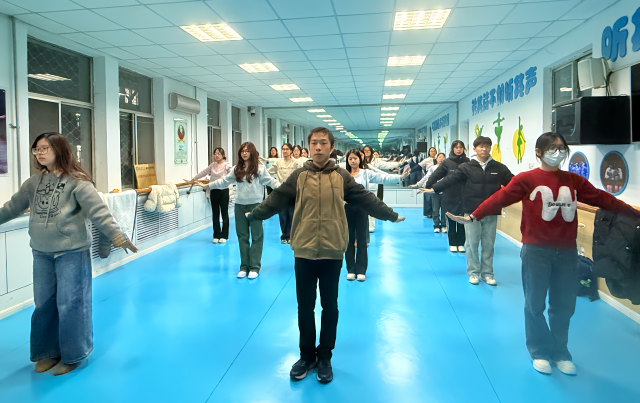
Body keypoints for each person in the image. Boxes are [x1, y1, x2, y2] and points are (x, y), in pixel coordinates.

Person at [447, 132, 640, 376]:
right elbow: (500, 198)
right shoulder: (526, 179)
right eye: (551, 148)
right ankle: (539, 350)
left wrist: (634, 213)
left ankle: (561, 352)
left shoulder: (573, 180)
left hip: (567, 252)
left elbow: (602, 199)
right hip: (536, 251)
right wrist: (475, 215)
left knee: (563, 304)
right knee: (534, 303)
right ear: (538, 152)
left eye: (561, 148)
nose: (557, 152)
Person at [246, 127, 405, 384]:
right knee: (305, 306)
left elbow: (365, 198)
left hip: (332, 250)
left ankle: (325, 357)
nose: (318, 147)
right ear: (308, 147)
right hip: (304, 250)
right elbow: (277, 199)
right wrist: (255, 214)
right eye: (313, 143)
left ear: (331, 148)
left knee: (329, 306)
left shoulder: (341, 176)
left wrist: (390, 215)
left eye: (323, 143)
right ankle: (306, 356)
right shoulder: (299, 175)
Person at [0, 132, 138, 376]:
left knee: (71, 304)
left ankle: (73, 355)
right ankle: (46, 352)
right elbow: (12, 207)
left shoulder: (78, 182)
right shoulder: (32, 183)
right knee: (43, 304)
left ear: (59, 150)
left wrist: (117, 236)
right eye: (36, 149)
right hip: (41, 252)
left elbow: (99, 212)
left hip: (71, 253)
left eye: (44, 148)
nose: (39, 153)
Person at [420, 137, 513, 285]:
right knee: (471, 244)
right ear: (474, 149)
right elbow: (450, 179)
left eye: (487, 146)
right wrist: (434, 188)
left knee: (489, 244)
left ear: (490, 148)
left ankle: (488, 274)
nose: (484, 149)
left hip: (491, 212)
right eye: (480, 146)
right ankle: (474, 273)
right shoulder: (467, 167)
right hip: (471, 211)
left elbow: (514, 184)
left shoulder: (498, 168)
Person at [209, 142, 280, 279]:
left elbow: (271, 181)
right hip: (240, 206)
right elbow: (224, 181)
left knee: (257, 236)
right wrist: (208, 185)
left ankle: (254, 267)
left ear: (252, 152)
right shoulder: (237, 169)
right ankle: (244, 266)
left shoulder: (259, 168)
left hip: (256, 206)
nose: (245, 153)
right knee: (242, 236)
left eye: (247, 151)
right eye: (242, 151)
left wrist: (286, 189)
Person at [344, 148, 407, 281]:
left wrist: (400, 177)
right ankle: (350, 269)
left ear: (360, 159)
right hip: (346, 209)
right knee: (348, 241)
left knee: (362, 240)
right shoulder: (343, 174)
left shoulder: (366, 173)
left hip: (362, 209)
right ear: (347, 160)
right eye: (350, 159)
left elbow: (383, 177)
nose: (353, 161)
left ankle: (361, 270)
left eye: (355, 158)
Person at [423, 140, 469, 253]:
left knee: (462, 220)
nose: (458, 149)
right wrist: (429, 186)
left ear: (464, 149)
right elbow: (435, 175)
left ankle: (461, 243)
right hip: (450, 194)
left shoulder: (468, 162)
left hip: (464, 195)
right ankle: (453, 243)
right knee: (451, 219)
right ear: (452, 149)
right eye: (456, 147)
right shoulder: (447, 162)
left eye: (461, 147)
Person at [189, 147, 233, 243]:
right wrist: (193, 179)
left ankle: (224, 235)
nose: (216, 155)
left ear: (223, 155)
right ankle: (216, 235)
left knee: (224, 214)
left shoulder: (227, 165)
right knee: (215, 213)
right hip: (213, 191)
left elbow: (232, 173)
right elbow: (203, 173)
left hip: (224, 191)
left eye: (218, 154)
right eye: (215, 154)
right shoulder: (212, 165)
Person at [268, 143, 302, 244]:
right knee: (282, 215)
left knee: (291, 214)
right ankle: (284, 235)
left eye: (287, 149)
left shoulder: (296, 163)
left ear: (291, 151)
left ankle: (290, 235)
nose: (285, 151)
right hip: (281, 192)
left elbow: (301, 174)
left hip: (292, 192)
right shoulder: (278, 162)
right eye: (283, 149)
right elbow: (268, 172)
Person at [413, 152, 446, 231]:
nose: (441, 159)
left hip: (445, 191)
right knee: (435, 209)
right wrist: (419, 185)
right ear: (436, 159)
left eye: (443, 157)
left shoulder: (446, 168)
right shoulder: (432, 168)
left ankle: (444, 225)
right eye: (439, 157)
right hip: (434, 191)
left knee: (444, 210)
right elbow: (426, 177)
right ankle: (436, 225)